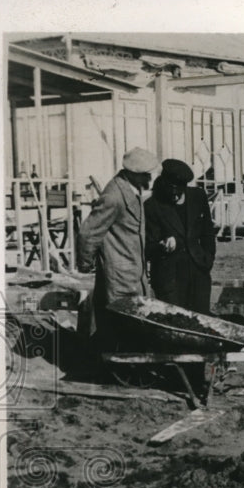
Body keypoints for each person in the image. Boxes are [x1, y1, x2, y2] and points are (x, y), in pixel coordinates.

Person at [76, 146, 160, 346]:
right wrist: (86, 264)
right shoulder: (114, 196)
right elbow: (88, 232)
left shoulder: (132, 190)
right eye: (146, 175)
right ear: (133, 173)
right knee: (122, 325)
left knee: (132, 324)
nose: (150, 180)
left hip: (133, 273)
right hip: (119, 275)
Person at [144, 159, 217, 314]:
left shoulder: (198, 196)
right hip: (169, 278)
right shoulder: (152, 206)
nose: (175, 197)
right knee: (175, 323)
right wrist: (162, 246)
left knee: (201, 321)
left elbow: (208, 232)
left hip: (199, 273)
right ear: (163, 184)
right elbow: (148, 246)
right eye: (171, 193)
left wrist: (207, 258)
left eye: (178, 193)